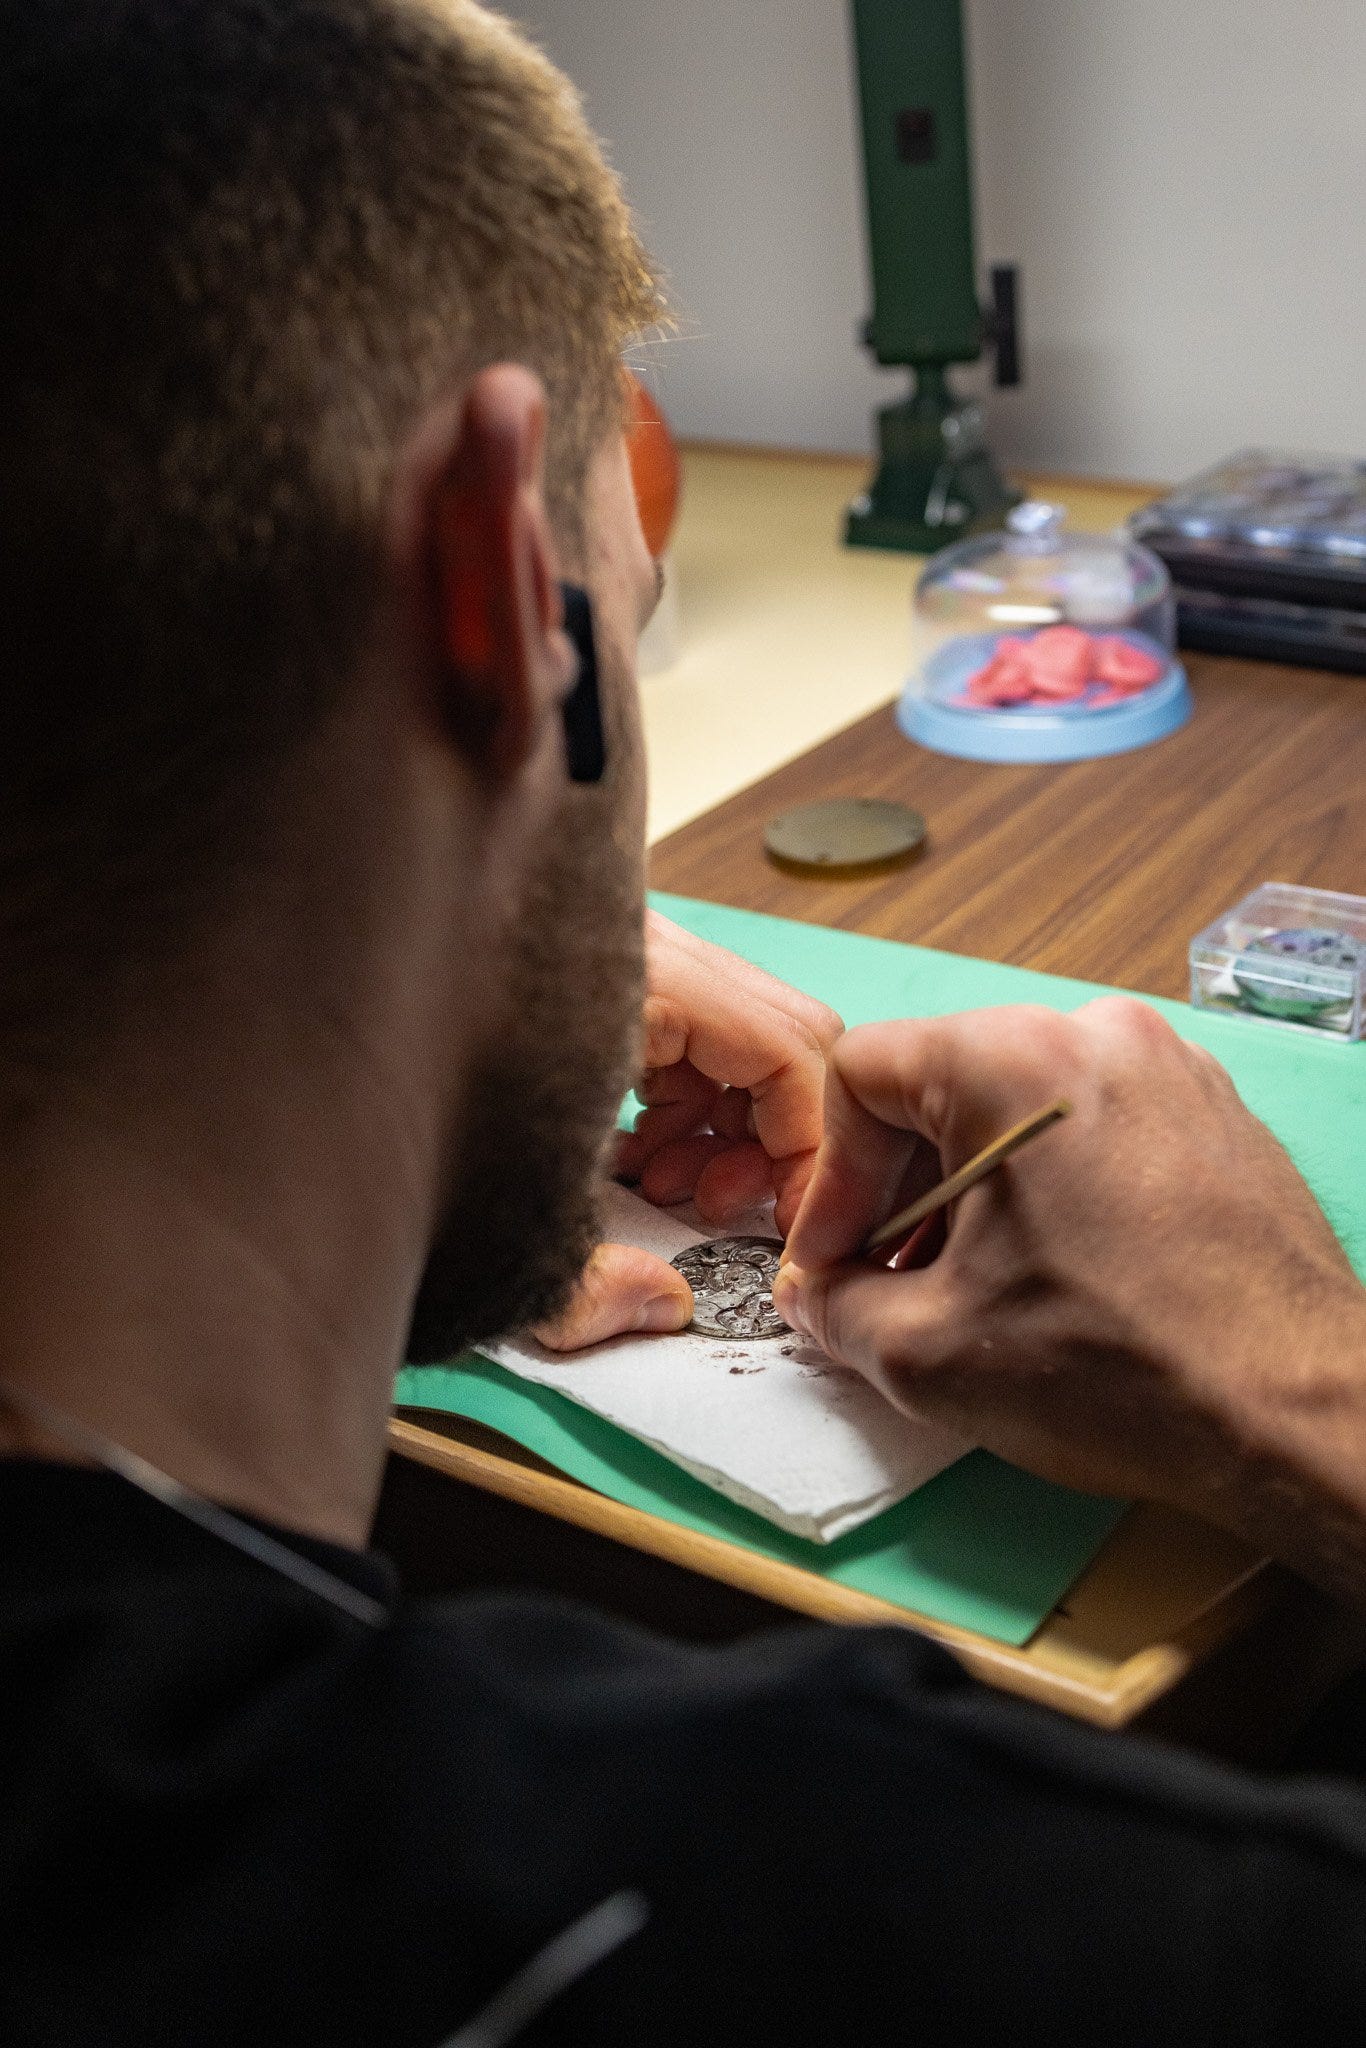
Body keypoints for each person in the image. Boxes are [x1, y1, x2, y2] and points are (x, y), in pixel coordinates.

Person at [2, 3, 1366, 2042]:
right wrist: (1305, 1395)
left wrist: (406, 992)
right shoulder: (907, 1918)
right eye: (623, 618)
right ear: (494, 589)